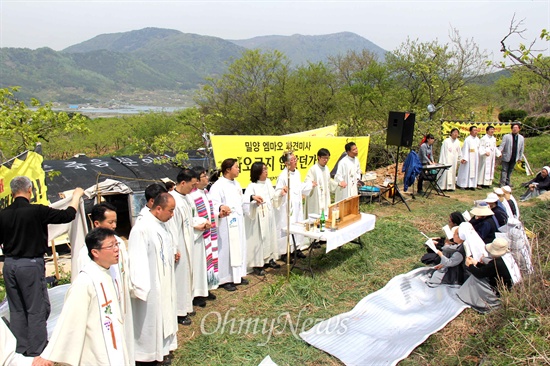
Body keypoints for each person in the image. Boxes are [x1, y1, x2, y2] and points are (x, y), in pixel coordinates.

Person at [0, 176, 84, 357]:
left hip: (9, 265)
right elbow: (67, 215)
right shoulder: (36, 211)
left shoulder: (3, 214)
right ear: (30, 190)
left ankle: (19, 350)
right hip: (30, 265)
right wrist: (76, 196)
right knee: (36, 308)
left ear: (13, 192)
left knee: (17, 309)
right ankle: (37, 352)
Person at [34, 228, 130, 366]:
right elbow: (70, 319)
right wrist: (50, 354)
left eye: (117, 244)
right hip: (96, 347)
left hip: (115, 340)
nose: (116, 250)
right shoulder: (85, 281)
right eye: (111, 246)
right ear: (95, 252)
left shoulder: (112, 271)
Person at [77, 202, 134, 365]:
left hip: (120, 300)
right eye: (110, 222)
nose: (115, 226)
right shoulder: (86, 253)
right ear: (96, 223)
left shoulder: (118, 243)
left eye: (116, 222)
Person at [128, 193, 178, 364]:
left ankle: (163, 349)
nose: (172, 215)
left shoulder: (161, 224)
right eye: (170, 211)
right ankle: (148, 355)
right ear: (158, 209)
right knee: (151, 320)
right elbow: (136, 259)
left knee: (164, 316)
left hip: (164, 280)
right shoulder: (141, 228)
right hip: (151, 285)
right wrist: (140, 288)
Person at [209, 158, 248, 292]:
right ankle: (225, 278)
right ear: (227, 170)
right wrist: (221, 207)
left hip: (237, 221)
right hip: (226, 223)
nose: (238, 170)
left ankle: (237, 275)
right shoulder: (218, 186)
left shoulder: (236, 184)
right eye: (236, 167)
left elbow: (241, 201)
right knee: (226, 249)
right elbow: (213, 204)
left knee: (239, 247)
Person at [166, 169, 198, 325]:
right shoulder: (174, 201)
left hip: (188, 241)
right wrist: (174, 248)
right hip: (179, 244)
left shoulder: (187, 199)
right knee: (180, 278)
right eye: (191, 185)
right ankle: (179, 311)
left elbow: (191, 219)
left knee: (187, 276)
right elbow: (171, 228)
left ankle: (186, 305)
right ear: (183, 183)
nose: (193, 188)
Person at [457, 237, 521, 313]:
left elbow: (479, 274)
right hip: (510, 288)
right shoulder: (507, 257)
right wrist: (476, 263)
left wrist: (470, 265)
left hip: (499, 292)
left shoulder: (496, 263)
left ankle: (469, 298)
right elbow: (488, 270)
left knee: (474, 278)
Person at [243, 162, 284, 276]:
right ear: (258, 172)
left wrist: (280, 193)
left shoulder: (268, 182)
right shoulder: (252, 186)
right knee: (259, 239)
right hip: (258, 217)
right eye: (264, 169)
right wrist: (254, 201)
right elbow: (246, 201)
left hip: (269, 214)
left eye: (266, 169)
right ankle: (257, 264)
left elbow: (273, 197)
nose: (266, 171)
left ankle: (269, 259)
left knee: (270, 236)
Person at [275, 152, 312, 261]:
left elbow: (299, 186)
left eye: (295, 159)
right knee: (287, 227)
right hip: (287, 206)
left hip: (297, 205)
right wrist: (282, 192)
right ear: (286, 163)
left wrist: (310, 185)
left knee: (298, 224)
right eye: (292, 160)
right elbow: (277, 191)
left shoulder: (298, 173)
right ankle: (284, 252)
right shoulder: (282, 176)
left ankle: (297, 248)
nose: (295, 161)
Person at [190, 166, 220, 299]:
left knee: (208, 262)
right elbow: (189, 218)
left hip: (209, 233)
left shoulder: (206, 193)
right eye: (204, 176)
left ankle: (206, 288)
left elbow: (211, 212)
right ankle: (197, 294)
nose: (207, 178)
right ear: (196, 180)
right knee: (199, 264)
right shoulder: (191, 196)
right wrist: (199, 224)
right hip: (198, 236)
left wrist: (219, 214)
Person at [304, 148, 340, 218]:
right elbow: (307, 181)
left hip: (325, 197)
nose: (325, 160)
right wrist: (311, 184)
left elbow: (328, 181)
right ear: (318, 157)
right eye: (324, 158)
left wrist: (338, 184)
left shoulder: (326, 168)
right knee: (315, 217)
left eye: (327, 158)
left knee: (325, 214)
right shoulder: (313, 169)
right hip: (316, 198)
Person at [499, 122, 525, 187]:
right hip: (506, 156)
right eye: (513, 128)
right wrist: (499, 152)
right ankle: (502, 183)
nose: (515, 129)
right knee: (504, 170)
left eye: (516, 128)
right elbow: (502, 145)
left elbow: (521, 148)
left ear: (519, 129)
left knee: (510, 170)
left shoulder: (521, 138)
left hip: (515, 157)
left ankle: (508, 182)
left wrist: (520, 157)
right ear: (511, 129)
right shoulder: (506, 136)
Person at [457, 126, 480, 190]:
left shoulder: (477, 139)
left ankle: (472, 185)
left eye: (476, 130)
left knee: (474, 171)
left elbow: (479, 149)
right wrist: (464, 158)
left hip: (475, 158)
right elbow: (465, 149)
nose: (476, 132)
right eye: (474, 130)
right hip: (468, 158)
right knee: (466, 171)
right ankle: (463, 184)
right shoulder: (468, 139)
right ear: (470, 131)